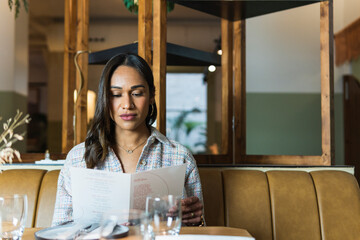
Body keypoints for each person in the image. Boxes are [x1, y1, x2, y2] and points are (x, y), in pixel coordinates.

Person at [52, 53, 204, 227]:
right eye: (116, 94)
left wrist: (195, 221)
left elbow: (198, 229)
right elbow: (59, 230)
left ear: (152, 95)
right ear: (105, 98)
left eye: (137, 93)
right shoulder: (78, 158)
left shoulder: (180, 156)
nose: (127, 104)